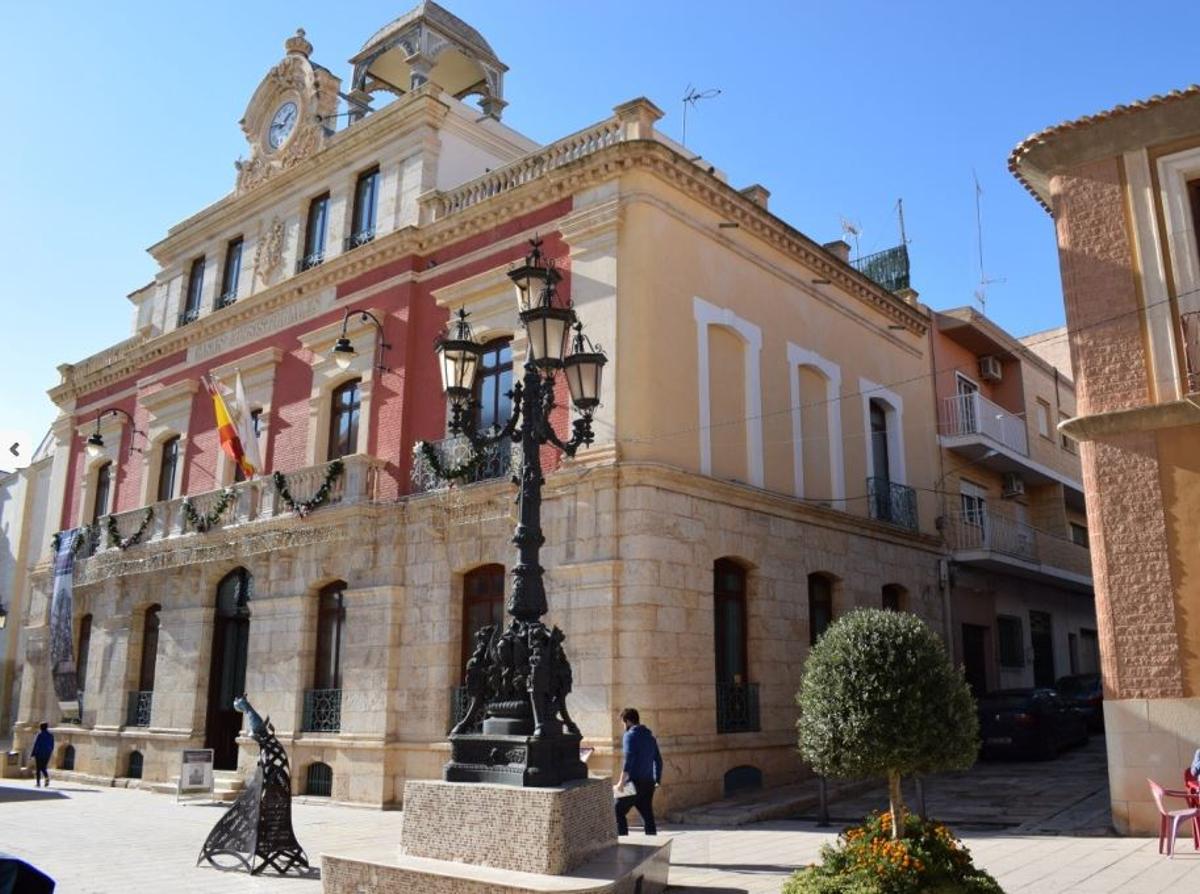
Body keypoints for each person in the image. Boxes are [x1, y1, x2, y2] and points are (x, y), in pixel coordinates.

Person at [614, 707, 662, 836]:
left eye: (623, 723)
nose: (624, 726)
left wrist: (620, 782)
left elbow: (629, 759)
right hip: (649, 783)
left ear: (628, 721)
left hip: (634, 784)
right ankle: (653, 845)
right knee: (647, 816)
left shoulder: (630, 736)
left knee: (617, 810)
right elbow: (658, 760)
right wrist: (657, 779)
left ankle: (623, 842)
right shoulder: (650, 736)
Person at [31, 722, 54, 788]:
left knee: (38, 768)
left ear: (41, 727)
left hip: (39, 753)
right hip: (47, 754)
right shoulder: (51, 735)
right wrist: (49, 752)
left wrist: (33, 753)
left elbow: (36, 745)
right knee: (43, 767)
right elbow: (52, 745)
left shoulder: (40, 735)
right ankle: (46, 778)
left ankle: (38, 783)